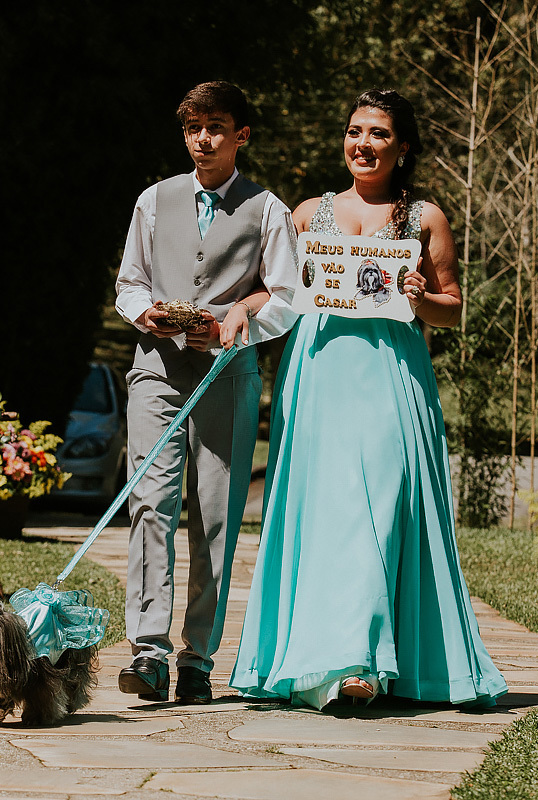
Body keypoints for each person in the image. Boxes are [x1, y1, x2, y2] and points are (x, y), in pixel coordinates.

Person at [226, 89, 507, 711]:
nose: (364, 144)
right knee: (325, 515)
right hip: (319, 374)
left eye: (379, 134)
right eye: (355, 131)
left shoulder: (425, 216)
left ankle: (366, 660)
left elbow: (453, 310)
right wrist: (244, 309)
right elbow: (275, 294)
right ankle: (327, 663)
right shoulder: (306, 214)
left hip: (390, 377)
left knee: (379, 510)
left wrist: (420, 299)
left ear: (402, 148)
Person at [114, 81, 297, 704]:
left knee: (214, 516)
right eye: (194, 128)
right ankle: (148, 652)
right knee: (149, 503)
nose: (203, 139)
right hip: (156, 372)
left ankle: (197, 658)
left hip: (227, 377)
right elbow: (129, 281)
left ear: (241, 134)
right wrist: (150, 316)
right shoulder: (153, 200)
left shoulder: (268, 209)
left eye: (216, 127)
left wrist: (231, 328)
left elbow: (285, 296)